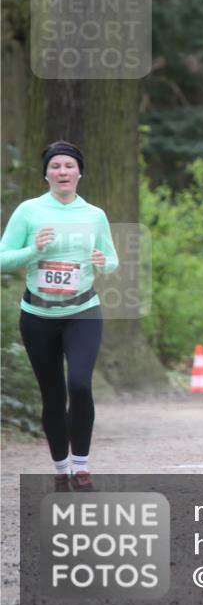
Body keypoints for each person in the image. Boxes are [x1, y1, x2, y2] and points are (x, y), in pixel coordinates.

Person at [0, 141, 119, 492]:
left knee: (80, 385)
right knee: (52, 393)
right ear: (46, 174)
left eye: (69, 165)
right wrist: (34, 249)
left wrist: (104, 263)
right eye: (55, 166)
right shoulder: (29, 211)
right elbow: (3, 259)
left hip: (83, 312)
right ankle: (61, 468)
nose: (62, 171)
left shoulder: (94, 215)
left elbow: (112, 259)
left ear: (79, 172)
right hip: (38, 316)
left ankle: (81, 465)